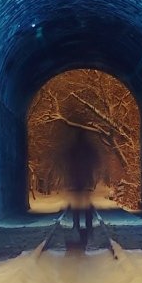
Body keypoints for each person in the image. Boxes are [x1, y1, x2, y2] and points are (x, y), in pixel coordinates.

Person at [52, 98, 108, 247]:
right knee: (87, 205)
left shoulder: (72, 149)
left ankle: (77, 227)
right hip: (86, 181)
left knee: (76, 206)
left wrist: (68, 175)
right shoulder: (89, 148)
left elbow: (65, 162)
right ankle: (88, 228)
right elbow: (96, 161)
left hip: (75, 181)